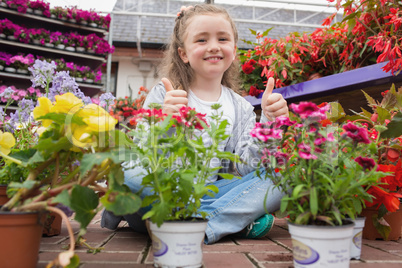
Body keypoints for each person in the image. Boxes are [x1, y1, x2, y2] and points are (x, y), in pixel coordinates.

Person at [101, 4, 289, 244]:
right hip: (158, 195)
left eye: (222, 38)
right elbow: (142, 154)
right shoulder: (165, 94)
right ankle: (224, 220)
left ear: (233, 48)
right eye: (201, 40)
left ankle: (199, 225)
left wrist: (269, 123)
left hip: (207, 194)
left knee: (283, 175)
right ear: (183, 54)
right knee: (128, 172)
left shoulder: (240, 108)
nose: (213, 46)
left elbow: (246, 168)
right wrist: (164, 121)